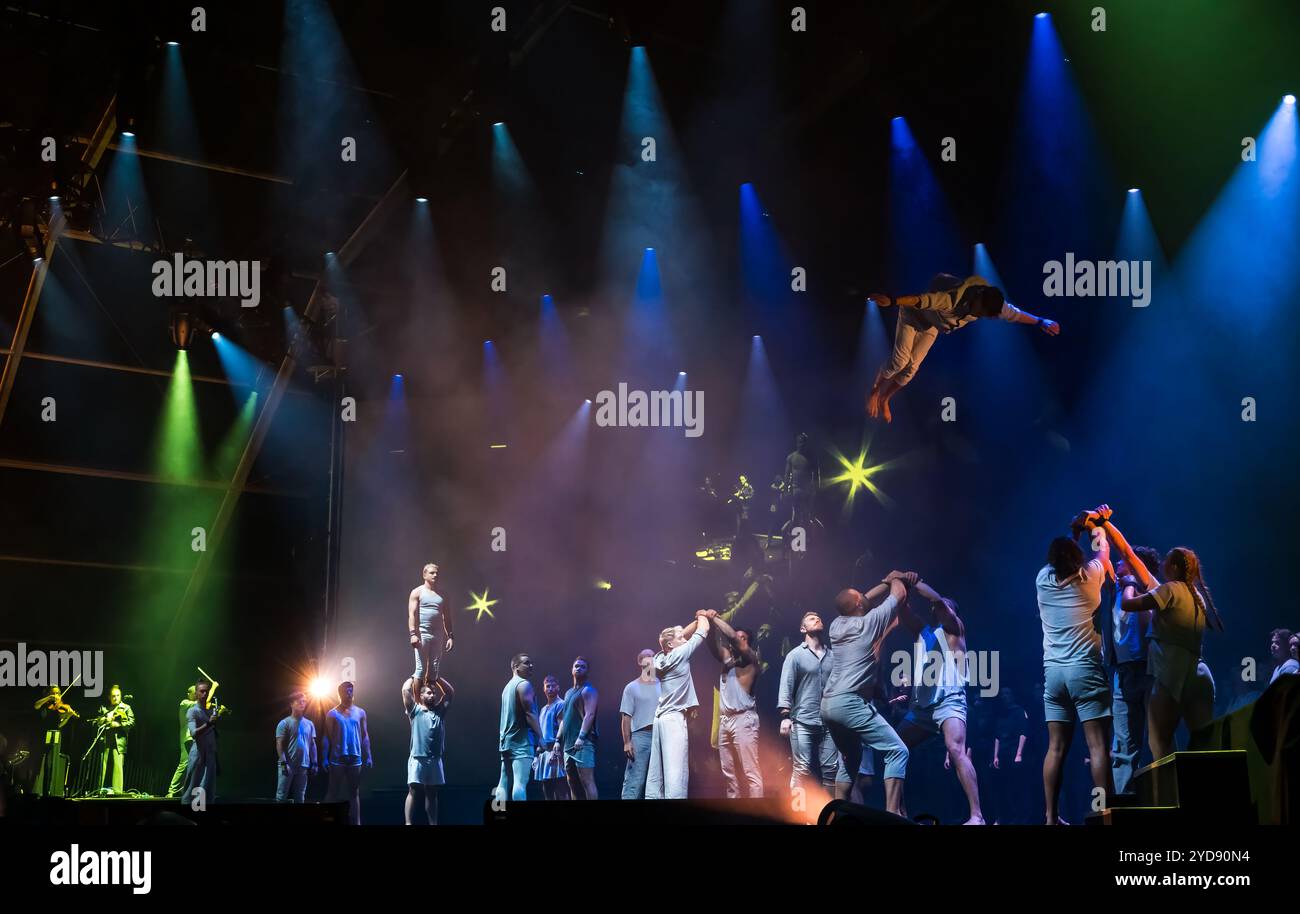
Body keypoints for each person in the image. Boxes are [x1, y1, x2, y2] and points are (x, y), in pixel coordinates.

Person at [1101, 509, 1223, 762]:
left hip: (1171, 674)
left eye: (1167, 560)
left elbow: (1129, 599)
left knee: (1160, 744)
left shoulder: (1168, 591)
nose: (1162, 565)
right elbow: (1130, 555)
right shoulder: (1196, 596)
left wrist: (1131, 584)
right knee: (1204, 744)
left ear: (1175, 566)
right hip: (1200, 674)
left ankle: (1172, 798)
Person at [865, 274, 1060, 422]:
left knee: (911, 369)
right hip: (912, 316)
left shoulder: (991, 303)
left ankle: (885, 398)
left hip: (931, 326)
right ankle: (875, 389)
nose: (980, 315)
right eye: (980, 312)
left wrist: (1040, 321)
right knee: (900, 362)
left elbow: (1014, 314)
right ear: (977, 300)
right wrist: (891, 301)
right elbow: (919, 300)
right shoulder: (951, 299)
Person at [1036, 514, 1114, 824]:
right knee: (1097, 747)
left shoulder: (1042, 579)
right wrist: (1097, 524)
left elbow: (1064, 558)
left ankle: (1051, 818)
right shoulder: (1090, 577)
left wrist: (1073, 532)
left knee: (1055, 749)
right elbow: (1103, 553)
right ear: (1077, 559)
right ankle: (1104, 812)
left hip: (1054, 676)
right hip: (1085, 672)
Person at [820, 573, 914, 816]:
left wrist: (883, 582)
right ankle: (893, 815)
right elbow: (899, 594)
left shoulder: (836, 625)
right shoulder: (869, 623)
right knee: (897, 751)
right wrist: (897, 577)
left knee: (850, 757)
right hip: (849, 702)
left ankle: (839, 816)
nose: (864, 595)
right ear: (859, 604)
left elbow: (859, 601)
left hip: (828, 704)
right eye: (860, 595)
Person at [895, 579, 984, 824]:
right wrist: (899, 584)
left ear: (952, 612)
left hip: (950, 701)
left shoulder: (955, 630)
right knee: (894, 747)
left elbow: (936, 600)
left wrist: (914, 580)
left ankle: (977, 815)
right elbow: (903, 611)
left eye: (944, 607)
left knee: (956, 749)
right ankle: (897, 811)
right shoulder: (924, 631)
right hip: (922, 707)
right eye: (936, 607)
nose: (937, 609)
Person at [778, 611, 849, 799]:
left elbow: (840, 687)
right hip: (802, 720)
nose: (817, 618)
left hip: (829, 721)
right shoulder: (795, 655)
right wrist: (785, 716)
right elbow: (787, 684)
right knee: (801, 767)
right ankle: (798, 815)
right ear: (803, 628)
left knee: (831, 769)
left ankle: (829, 813)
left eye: (819, 617)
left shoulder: (833, 657)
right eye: (811, 618)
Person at [1109, 546, 1159, 793]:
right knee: (1124, 746)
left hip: (1149, 671)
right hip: (1123, 673)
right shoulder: (1112, 589)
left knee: (1157, 739)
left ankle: (1164, 798)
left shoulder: (1151, 591)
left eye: (1124, 561)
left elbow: (1141, 617)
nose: (1118, 563)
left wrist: (1132, 584)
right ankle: (1124, 804)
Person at [646, 611, 711, 799]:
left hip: (659, 720)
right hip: (673, 719)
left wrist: (686, 628)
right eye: (680, 637)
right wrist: (703, 615)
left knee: (655, 777)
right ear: (670, 644)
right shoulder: (681, 653)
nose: (685, 639)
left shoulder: (658, 659)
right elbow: (703, 629)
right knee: (676, 775)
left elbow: (682, 635)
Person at [703, 611, 764, 798]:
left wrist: (715, 618)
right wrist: (710, 625)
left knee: (750, 771)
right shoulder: (727, 660)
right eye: (739, 637)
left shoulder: (751, 660)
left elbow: (732, 637)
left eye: (744, 638)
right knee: (728, 773)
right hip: (725, 721)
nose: (740, 640)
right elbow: (712, 645)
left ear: (747, 643)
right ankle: (733, 811)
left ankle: (757, 816)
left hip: (743, 720)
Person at [403, 675, 452, 824]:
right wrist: (413, 677)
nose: (433, 695)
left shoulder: (439, 712)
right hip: (418, 758)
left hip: (435, 759)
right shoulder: (415, 710)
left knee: (432, 793)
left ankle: (433, 823)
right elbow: (405, 691)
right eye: (429, 693)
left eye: (434, 693)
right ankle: (408, 822)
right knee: (413, 791)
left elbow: (449, 692)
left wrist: (436, 678)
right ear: (422, 695)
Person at [322, 681, 372, 824]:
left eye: (351, 690)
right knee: (332, 791)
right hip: (337, 758)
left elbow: (365, 735)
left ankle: (356, 823)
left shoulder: (360, 712)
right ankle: (326, 818)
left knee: (354, 793)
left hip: (355, 758)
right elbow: (326, 737)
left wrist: (368, 755)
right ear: (340, 694)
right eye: (346, 691)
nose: (349, 693)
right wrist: (324, 758)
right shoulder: (332, 713)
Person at [497, 654, 543, 802]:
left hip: (506, 741)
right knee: (520, 783)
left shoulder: (507, 687)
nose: (531, 666)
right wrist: (540, 737)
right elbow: (530, 713)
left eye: (531, 663)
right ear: (515, 667)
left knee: (504, 781)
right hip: (521, 741)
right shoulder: (524, 685)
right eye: (526, 663)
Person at [408, 563, 454, 699]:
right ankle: (418, 703)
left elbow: (447, 617)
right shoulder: (417, 592)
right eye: (432, 573)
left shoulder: (443, 594)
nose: (435, 575)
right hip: (423, 633)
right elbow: (412, 614)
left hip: (438, 634)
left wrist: (450, 636)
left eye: (437, 573)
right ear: (424, 574)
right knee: (421, 669)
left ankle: (430, 699)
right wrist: (413, 634)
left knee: (434, 670)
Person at [619, 650, 660, 799]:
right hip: (640, 736)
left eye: (653, 655)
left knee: (658, 779)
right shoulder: (631, 687)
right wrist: (627, 742)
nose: (650, 658)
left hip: (660, 735)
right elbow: (626, 716)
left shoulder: (663, 684)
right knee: (635, 779)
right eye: (646, 656)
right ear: (640, 662)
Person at [556, 657, 599, 800]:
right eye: (576, 666)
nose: (579, 668)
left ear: (587, 671)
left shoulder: (588, 690)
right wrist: (557, 740)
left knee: (587, 781)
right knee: (572, 783)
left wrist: (581, 737)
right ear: (572, 670)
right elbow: (564, 719)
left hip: (583, 744)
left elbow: (590, 714)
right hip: (568, 745)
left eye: (583, 666)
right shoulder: (568, 693)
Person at [990, 686, 1029, 824]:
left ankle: (1020, 817)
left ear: (1012, 695)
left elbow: (1023, 733)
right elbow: (997, 737)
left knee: (1017, 787)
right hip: (1003, 754)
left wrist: (1019, 753)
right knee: (1004, 788)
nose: (1004, 696)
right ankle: (1006, 817)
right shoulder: (1000, 715)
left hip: (1014, 753)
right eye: (1002, 694)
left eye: (1007, 693)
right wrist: (995, 756)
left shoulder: (1019, 712)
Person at [181, 678, 222, 805]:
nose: (204, 694)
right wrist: (209, 723)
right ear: (197, 693)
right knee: (195, 791)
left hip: (210, 756)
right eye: (202, 691)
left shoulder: (209, 712)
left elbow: (213, 737)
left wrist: (216, 760)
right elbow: (193, 733)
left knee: (209, 792)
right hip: (199, 755)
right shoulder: (193, 711)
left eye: (207, 691)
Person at [33, 685, 78, 798]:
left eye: (58, 693)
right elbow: (35, 705)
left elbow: (59, 725)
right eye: (54, 693)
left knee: (51, 765)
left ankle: (49, 791)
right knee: (41, 764)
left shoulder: (59, 707)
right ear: (48, 694)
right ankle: (38, 791)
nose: (56, 695)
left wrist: (68, 716)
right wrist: (49, 698)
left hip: (55, 737)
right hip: (41, 736)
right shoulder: (44, 705)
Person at [275, 691, 318, 803]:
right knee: (281, 796)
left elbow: (312, 745)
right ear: (291, 704)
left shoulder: (309, 724)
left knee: (300, 796)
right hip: (288, 765)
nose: (302, 704)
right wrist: (284, 764)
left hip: (303, 765)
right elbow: (279, 744)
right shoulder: (284, 723)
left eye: (304, 701)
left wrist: (314, 763)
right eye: (299, 702)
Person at [94, 685, 134, 794]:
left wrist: (118, 724)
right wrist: (104, 719)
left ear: (120, 696)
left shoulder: (126, 708)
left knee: (118, 767)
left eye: (117, 695)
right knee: (102, 766)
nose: (115, 698)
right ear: (109, 697)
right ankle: (99, 790)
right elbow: (96, 722)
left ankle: (117, 792)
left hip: (119, 741)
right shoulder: (104, 708)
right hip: (105, 739)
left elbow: (131, 722)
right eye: (113, 696)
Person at [535, 675, 569, 800]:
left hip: (555, 750)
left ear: (558, 687)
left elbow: (562, 726)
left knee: (561, 788)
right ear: (544, 689)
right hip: (544, 752)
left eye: (553, 686)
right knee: (547, 788)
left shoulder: (560, 704)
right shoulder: (543, 709)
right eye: (547, 686)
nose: (550, 689)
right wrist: (537, 753)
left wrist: (557, 746)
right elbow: (542, 732)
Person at [166, 686, 197, 798]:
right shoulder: (184, 703)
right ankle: (174, 789)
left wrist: (218, 711)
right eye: (195, 693)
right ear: (189, 693)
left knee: (188, 764)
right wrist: (213, 688)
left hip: (193, 738)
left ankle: (179, 790)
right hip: (187, 738)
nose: (197, 695)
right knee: (186, 764)